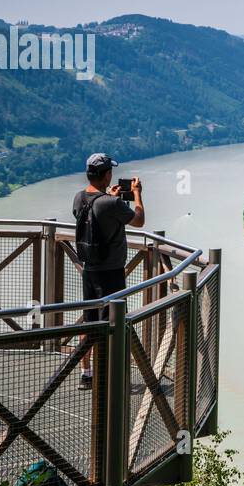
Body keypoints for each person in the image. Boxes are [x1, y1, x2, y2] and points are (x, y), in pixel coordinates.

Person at [73, 153, 144, 382]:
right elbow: (139, 220)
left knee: (90, 319)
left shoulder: (79, 198)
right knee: (111, 323)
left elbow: (97, 214)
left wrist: (107, 196)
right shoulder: (112, 203)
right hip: (111, 272)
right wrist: (136, 194)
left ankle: (86, 372)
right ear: (107, 174)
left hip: (89, 270)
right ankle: (107, 376)